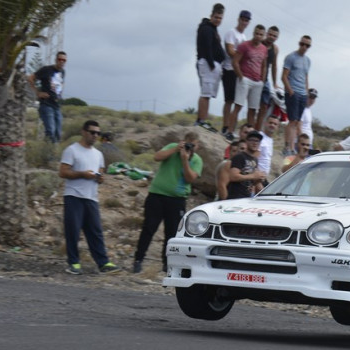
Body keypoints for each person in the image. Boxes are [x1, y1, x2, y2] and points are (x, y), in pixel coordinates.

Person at [132, 132, 203, 273]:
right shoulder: (173, 147)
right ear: (183, 141)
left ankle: (167, 263)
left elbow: (190, 179)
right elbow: (156, 157)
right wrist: (175, 149)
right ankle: (138, 259)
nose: (190, 147)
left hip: (177, 199)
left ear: (198, 146)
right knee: (148, 228)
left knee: (171, 233)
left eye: (193, 145)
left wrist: (185, 160)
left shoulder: (196, 160)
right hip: (157, 195)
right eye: (188, 143)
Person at [58, 120, 120, 275]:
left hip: (91, 197)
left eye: (98, 133)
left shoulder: (98, 154)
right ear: (83, 132)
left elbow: (100, 172)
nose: (95, 136)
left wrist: (99, 178)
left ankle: (103, 263)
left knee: (95, 231)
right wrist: (82, 174)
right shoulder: (72, 150)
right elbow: (63, 172)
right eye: (92, 132)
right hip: (74, 196)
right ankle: (74, 263)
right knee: (73, 231)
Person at [228, 24, 268, 141]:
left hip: (257, 81)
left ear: (263, 36)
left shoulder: (264, 49)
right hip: (245, 78)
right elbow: (235, 61)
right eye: (257, 33)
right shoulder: (244, 46)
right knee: (238, 106)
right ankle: (230, 131)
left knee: (253, 109)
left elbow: (264, 65)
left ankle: (251, 134)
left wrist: (263, 79)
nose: (258, 36)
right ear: (253, 33)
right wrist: (240, 76)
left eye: (261, 34)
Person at [195, 3, 225, 133]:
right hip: (207, 63)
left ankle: (203, 120)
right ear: (211, 15)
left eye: (220, 18)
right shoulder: (206, 28)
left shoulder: (213, 28)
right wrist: (212, 64)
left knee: (208, 94)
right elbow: (206, 48)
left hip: (213, 64)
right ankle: (200, 121)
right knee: (205, 93)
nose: (218, 20)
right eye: (216, 17)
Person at [221, 10, 250, 137]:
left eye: (246, 20)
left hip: (239, 71)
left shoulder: (244, 38)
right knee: (229, 100)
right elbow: (230, 51)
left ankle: (231, 128)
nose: (244, 22)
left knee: (237, 101)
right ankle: (225, 126)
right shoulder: (231, 33)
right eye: (243, 19)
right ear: (239, 19)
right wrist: (242, 57)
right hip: (229, 68)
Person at [282, 35, 312, 156]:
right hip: (293, 91)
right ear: (299, 43)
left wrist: (306, 91)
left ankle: (292, 147)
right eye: (302, 44)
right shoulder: (291, 57)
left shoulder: (308, 60)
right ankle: (287, 147)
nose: (304, 47)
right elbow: (284, 76)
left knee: (297, 121)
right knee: (292, 120)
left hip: (302, 93)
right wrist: (290, 91)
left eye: (307, 45)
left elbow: (305, 77)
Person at [28, 51, 67, 143]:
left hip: (56, 105)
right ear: (56, 60)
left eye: (64, 60)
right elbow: (30, 78)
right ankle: (48, 153)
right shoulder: (46, 70)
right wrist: (37, 93)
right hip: (46, 104)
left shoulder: (63, 72)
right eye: (59, 59)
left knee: (58, 133)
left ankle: (53, 153)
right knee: (51, 131)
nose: (61, 62)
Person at [255, 26, 280, 132]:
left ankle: (258, 131)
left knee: (264, 107)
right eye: (270, 34)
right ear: (266, 34)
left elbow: (274, 66)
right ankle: (250, 129)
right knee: (252, 107)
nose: (271, 37)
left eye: (274, 36)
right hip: (255, 77)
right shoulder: (260, 44)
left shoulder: (275, 49)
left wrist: (275, 83)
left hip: (265, 80)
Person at [227, 130, 266, 199]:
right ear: (246, 141)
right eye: (252, 140)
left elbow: (253, 180)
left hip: (247, 197)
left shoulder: (255, 159)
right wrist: (253, 176)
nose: (255, 143)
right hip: (235, 196)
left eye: (257, 141)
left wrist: (258, 179)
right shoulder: (239, 157)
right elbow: (233, 176)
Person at [257, 115, 279, 182]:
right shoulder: (259, 137)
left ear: (277, 127)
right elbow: (254, 158)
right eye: (270, 123)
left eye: (275, 124)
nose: (272, 125)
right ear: (265, 123)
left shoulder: (270, 140)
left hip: (264, 178)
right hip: (257, 177)